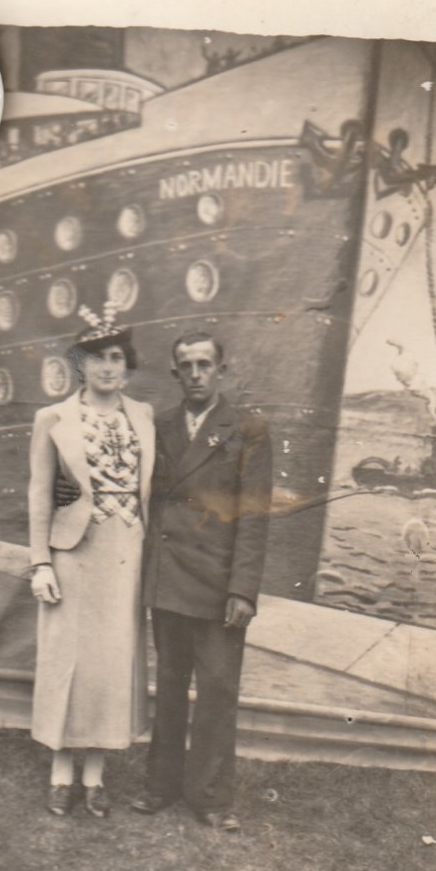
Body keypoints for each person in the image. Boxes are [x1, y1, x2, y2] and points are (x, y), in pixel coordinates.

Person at [132, 330, 273, 831]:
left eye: (205, 365)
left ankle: (211, 797)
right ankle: (160, 785)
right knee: (168, 686)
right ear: (175, 373)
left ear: (221, 371)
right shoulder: (160, 425)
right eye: (186, 365)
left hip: (218, 587)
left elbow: (254, 517)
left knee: (216, 689)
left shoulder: (247, 430)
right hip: (169, 579)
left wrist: (242, 590)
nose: (195, 374)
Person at [28, 308, 155, 818]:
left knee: (110, 660)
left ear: (127, 364)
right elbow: (41, 494)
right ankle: (61, 774)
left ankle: (96, 776)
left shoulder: (143, 415)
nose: (107, 367)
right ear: (79, 364)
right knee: (66, 659)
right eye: (96, 358)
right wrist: (40, 562)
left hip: (128, 549)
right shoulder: (52, 418)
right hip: (73, 550)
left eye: (116, 357)